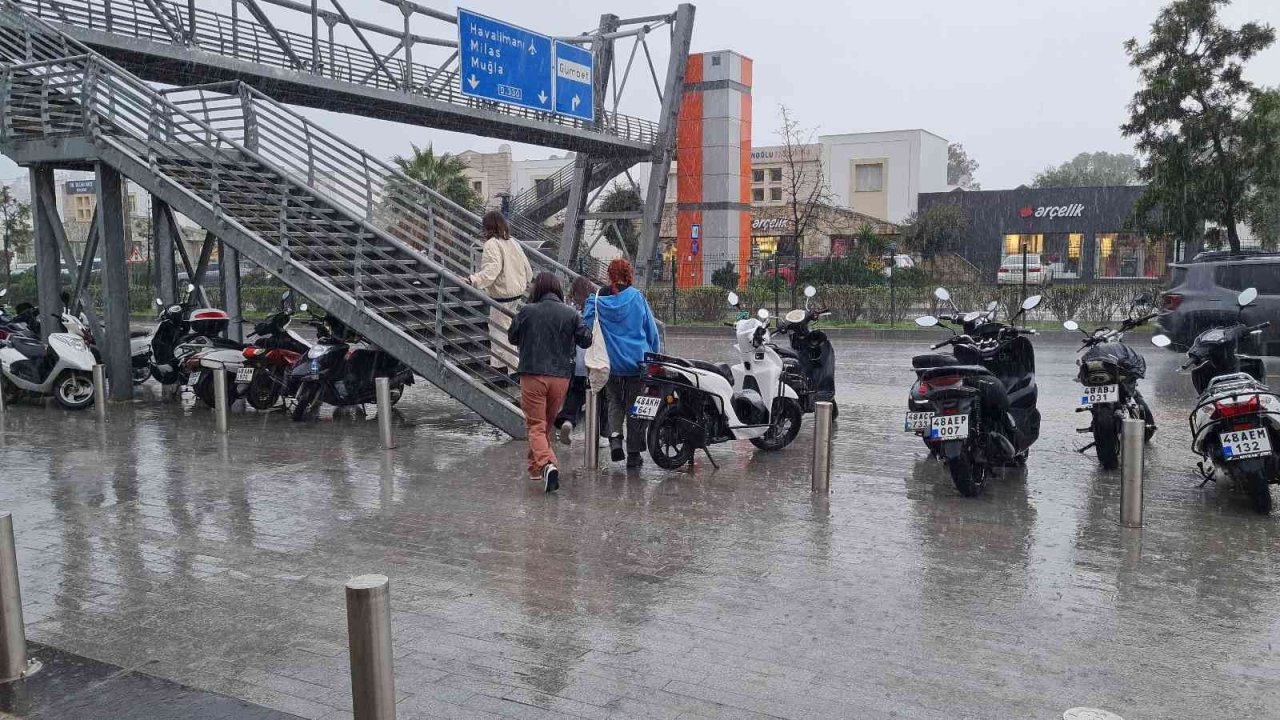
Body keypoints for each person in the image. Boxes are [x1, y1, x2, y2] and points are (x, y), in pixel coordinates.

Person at [508, 272, 592, 493]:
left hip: (533, 375)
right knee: (544, 425)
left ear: (537, 289)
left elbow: (512, 336)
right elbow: (586, 338)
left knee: (535, 426)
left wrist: (527, 312)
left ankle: (548, 465)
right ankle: (535, 470)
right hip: (561, 378)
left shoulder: (527, 311)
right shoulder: (571, 313)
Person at [582, 259, 661, 469]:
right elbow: (652, 332)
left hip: (611, 364)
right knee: (636, 408)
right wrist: (655, 356)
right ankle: (634, 454)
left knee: (614, 402)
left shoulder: (597, 300)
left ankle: (615, 438)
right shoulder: (637, 298)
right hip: (637, 364)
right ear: (629, 275)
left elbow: (586, 324)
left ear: (609, 275)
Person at [468, 211, 532, 374]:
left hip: (502, 294)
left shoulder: (492, 244)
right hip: (516, 291)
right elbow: (526, 267)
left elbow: (492, 270)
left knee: (499, 332)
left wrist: (474, 280)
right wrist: (525, 282)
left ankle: (512, 368)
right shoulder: (512, 242)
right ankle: (499, 365)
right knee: (504, 328)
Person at [555, 276, 596, 445]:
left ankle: (567, 422)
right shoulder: (594, 309)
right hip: (590, 363)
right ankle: (600, 435)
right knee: (597, 398)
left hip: (570, 364)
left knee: (574, 397)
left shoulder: (568, 309)